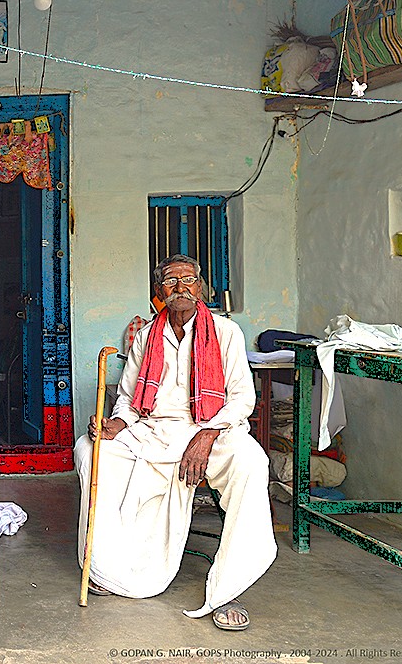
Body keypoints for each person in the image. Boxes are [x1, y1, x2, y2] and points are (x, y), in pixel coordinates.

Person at [75, 254, 276, 631]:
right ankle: (108, 565)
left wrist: (208, 433)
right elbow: (129, 395)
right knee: (92, 451)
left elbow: (242, 399)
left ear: (201, 288)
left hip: (213, 429)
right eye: (171, 281)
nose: (181, 287)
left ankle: (228, 588)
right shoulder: (147, 335)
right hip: (155, 430)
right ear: (159, 292)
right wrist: (116, 422)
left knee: (250, 462)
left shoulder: (226, 332)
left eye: (189, 280)